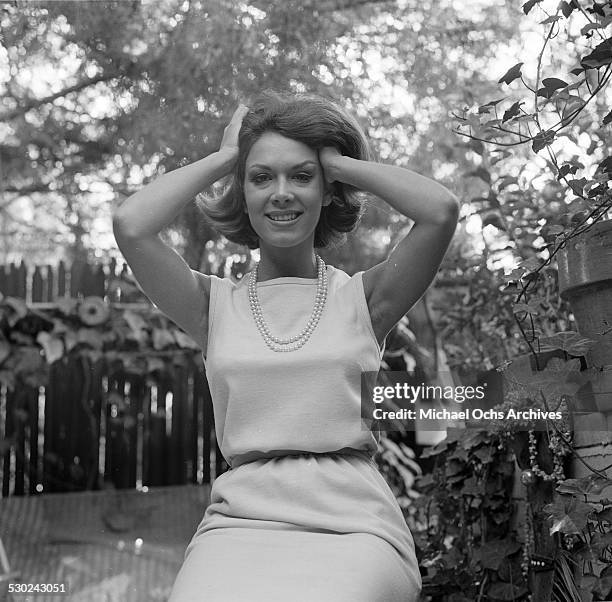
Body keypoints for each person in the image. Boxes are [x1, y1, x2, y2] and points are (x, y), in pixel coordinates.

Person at [112, 90, 459, 601]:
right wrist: (225, 158)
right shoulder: (212, 306)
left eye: (301, 176)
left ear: (327, 191)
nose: (281, 193)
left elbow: (440, 210)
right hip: (240, 524)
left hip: (354, 525)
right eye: (261, 176)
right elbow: (131, 225)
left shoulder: (366, 299)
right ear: (243, 192)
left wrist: (340, 161)